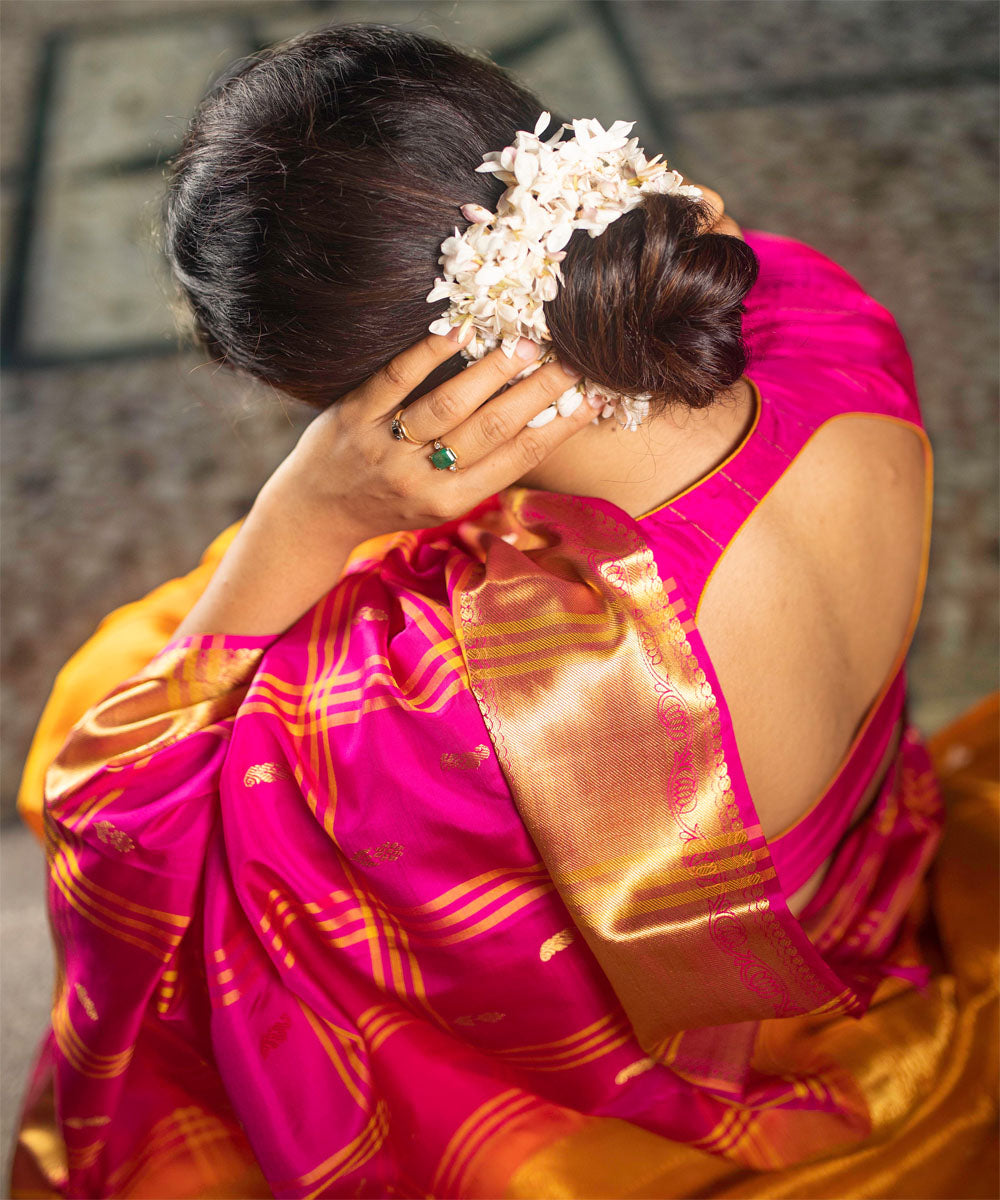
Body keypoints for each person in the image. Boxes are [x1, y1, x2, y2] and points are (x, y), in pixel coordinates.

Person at [9, 22, 997, 1200]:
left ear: (361, 400)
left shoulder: (501, 701)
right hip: (849, 885)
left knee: (126, 667)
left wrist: (308, 515)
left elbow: (125, 812)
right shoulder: (824, 321)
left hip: (680, 1062)